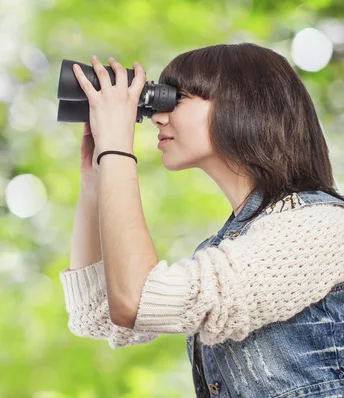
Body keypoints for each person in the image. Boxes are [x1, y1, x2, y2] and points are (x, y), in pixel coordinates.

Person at [60, 43, 344, 397]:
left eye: (176, 99)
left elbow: (138, 299)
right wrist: (95, 177)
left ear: (240, 104)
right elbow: (99, 314)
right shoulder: (230, 247)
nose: (158, 117)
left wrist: (118, 147)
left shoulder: (322, 228)